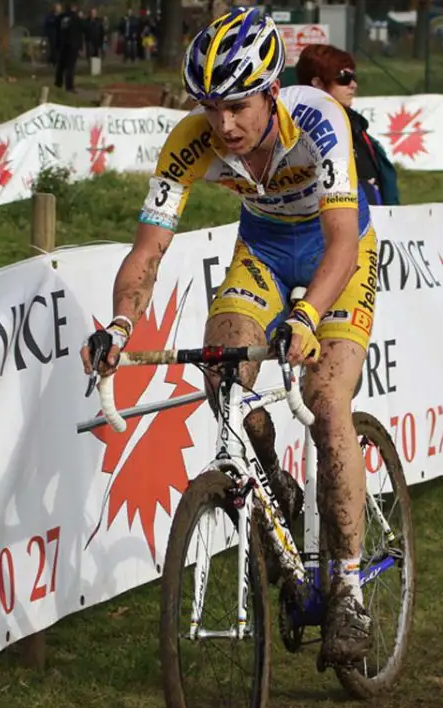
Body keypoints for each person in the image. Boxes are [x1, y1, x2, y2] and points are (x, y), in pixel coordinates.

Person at [80, 8, 377, 667]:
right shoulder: (190, 141)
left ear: (271, 92)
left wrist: (305, 319)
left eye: (237, 106)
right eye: (209, 108)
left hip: (338, 253)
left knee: (326, 402)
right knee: (221, 370)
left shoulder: (319, 119)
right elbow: (148, 251)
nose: (223, 126)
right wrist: (119, 327)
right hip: (264, 252)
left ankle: (349, 591)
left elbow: (339, 244)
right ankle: (271, 480)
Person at [296, 43, 400, 206]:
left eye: (354, 77)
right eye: (344, 77)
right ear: (317, 83)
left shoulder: (357, 126)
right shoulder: (297, 133)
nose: (353, 84)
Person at [54, 2, 82, 92]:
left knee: (61, 66)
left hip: (62, 44)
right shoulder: (75, 17)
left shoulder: (61, 17)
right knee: (70, 67)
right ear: (74, 7)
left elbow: (56, 28)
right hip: (72, 45)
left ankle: (58, 84)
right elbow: (83, 28)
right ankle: (69, 86)